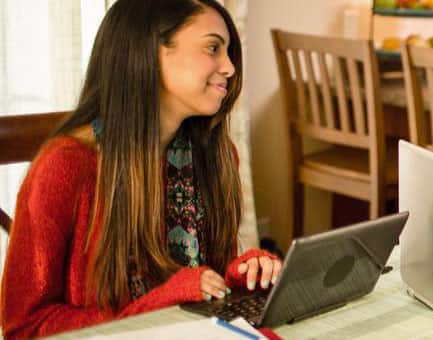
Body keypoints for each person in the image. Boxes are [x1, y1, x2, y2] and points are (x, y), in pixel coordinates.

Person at [1, 1, 282, 338]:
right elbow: (25, 328)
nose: (230, 68)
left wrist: (240, 277)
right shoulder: (65, 166)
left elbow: (202, 283)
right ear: (151, 50)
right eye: (213, 48)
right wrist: (159, 303)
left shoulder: (217, 156)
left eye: (229, 52)